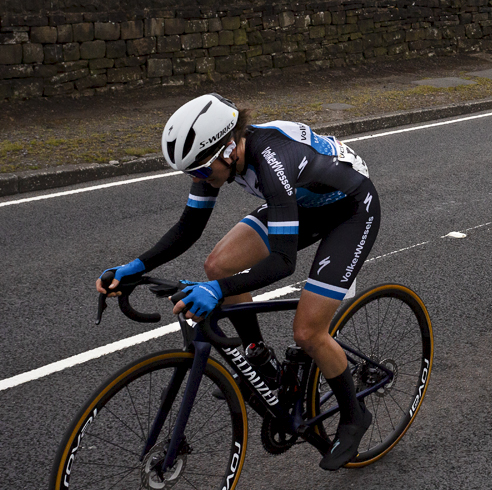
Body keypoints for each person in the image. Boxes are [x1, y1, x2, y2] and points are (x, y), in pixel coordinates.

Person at [97, 95, 379, 470]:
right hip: (303, 205)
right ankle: (259, 357)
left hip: (350, 211)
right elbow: (189, 227)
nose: (198, 180)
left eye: (199, 172)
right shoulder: (220, 159)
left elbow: (282, 262)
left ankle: (354, 415)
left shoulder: (272, 161)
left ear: (228, 149)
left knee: (308, 333)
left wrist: (216, 292)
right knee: (218, 264)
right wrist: (134, 266)